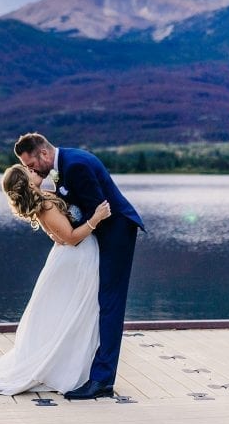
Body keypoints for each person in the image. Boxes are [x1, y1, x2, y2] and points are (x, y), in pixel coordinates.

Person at [0, 164, 112, 396]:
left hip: (73, 258)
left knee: (69, 313)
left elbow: (56, 234)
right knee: (73, 312)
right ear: (28, 182)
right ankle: (64, 369)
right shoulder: (46, 205)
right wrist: (96, 219)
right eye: (28, 171)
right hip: (76, 259)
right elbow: (71, 238)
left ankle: (73, 363)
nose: (33, 170)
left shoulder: (44, 199)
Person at [14, 132, 144, 400]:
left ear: (44, 154)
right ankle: (92, 373)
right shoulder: (65, 165)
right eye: (27, 169)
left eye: (31, 165)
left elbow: (99, 209)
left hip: (116, 233)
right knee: (101, 303)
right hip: (102, 235)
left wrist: (65, 229)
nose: (31, 170)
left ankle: (102, 381)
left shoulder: (75, 166)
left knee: (110, 304)